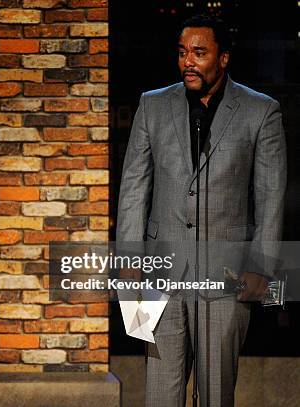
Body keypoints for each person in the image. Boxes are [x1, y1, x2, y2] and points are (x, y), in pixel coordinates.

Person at [116, 14, 286, 407]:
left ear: (223, 58)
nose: (188, 62)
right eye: (181, 53)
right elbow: (133, 189)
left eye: (199, 52)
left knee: (215, 394)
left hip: (226, 278)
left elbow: (270, 197)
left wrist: (262, 266)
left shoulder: (261, 111)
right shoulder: (152, 104)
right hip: (157, 277)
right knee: (160, 394)